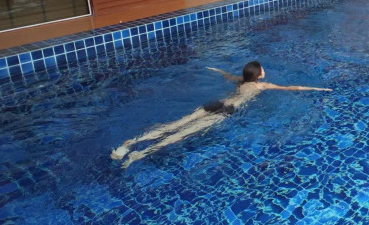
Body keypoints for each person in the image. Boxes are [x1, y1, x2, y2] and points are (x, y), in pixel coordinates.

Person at [110, 61, 331, 168]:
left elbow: (226, 75)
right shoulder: (261, 86)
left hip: (215, 104)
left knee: (175, 124)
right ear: (259, 75)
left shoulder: (240, 80)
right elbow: (292, 88)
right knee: (181, 134)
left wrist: (216, 69)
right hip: (226, 111)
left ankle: (131, 143)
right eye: (262, 69)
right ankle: (140, 154)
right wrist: (318, 88)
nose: (264, 71)